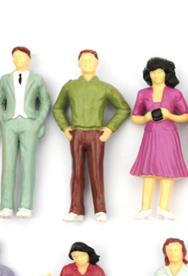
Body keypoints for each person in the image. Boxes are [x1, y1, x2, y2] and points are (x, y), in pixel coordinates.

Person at [53, 50, 131, 222]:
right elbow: (58, 108)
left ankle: (100, 209)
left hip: (96, 134)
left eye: (91, 60)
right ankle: (76, 210)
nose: (87, 63)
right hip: (76, 134)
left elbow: (124, 108)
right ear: (78, 63)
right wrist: (65, 127)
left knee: (96, 172)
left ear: (97, 63)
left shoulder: (104, 87)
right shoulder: (70, 86)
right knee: (77, 173)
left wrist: (109, 129)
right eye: (83, 60)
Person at [0, 46, 51, 219]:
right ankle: (6, 205)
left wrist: (38, 122)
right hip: (9, 123)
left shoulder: (38, 79)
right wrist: (2, 120)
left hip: (29, 123)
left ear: (29, 59)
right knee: (8, 165)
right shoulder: (5, 79)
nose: (18, 59)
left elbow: (46, 102)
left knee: (28, 164)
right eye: (15, 56)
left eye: (22, 56)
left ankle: (25, 205)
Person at [130, 58, 188, 221]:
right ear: (148, 74)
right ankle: (145, 207)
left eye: (159, 72)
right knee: (148, 170)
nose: (156, 75)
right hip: (150, 134)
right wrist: (146, 117)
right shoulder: (143, 93)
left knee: (167, 171)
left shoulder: (175, 94)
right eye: (153, 72)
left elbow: (186, 116)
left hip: (168, 134)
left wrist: (170, 115)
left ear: (166, 74)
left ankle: (164, 207)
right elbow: (135, 117)